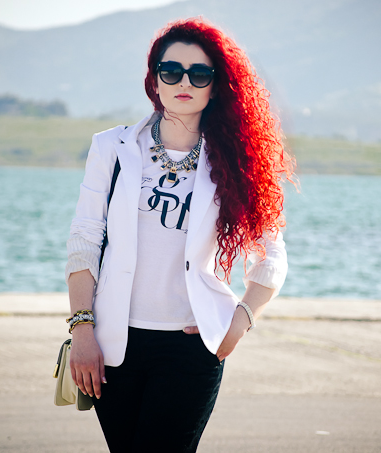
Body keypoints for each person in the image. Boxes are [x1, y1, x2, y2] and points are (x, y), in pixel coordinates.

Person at [64, 17, 294, 453]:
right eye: (171, 71)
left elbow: (271, 253)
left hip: (192, 347)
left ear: (216, 85)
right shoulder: (112, 148)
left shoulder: (236, 161)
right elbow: (85, 240)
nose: (184, 82)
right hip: (113, 346)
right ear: (154, 80)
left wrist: (241, 320)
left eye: (199, 73)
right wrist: (82, 330)